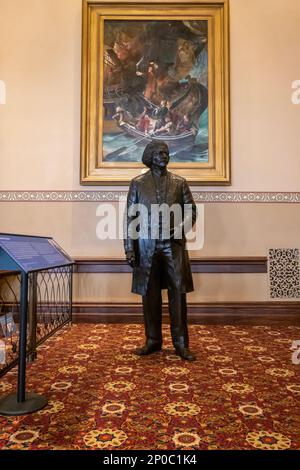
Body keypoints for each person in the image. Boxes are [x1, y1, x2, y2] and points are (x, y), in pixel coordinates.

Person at [124, 140, 197, 361]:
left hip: (172, 245)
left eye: (166, 152)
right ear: (150, 157)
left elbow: (191, 212)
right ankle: (153, 340)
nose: (164, 156)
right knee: (150, 294)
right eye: (159, 153)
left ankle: (181, 344)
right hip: (146, 246)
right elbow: (130, 217)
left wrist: (179, 229)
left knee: (178, 294)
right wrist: (129, 247)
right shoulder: (137, 183)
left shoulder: (180, 183)